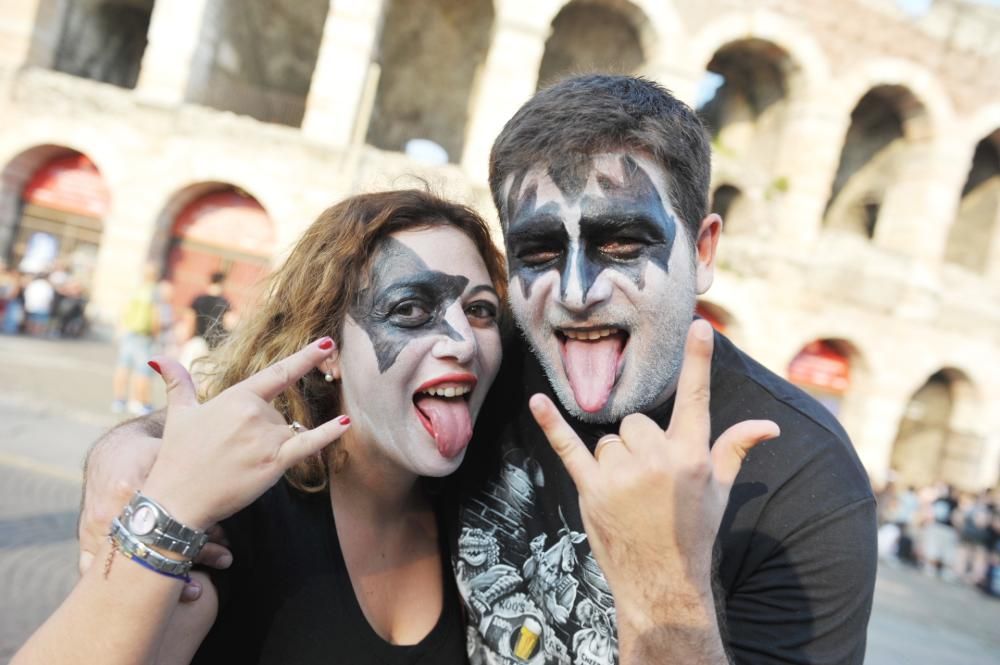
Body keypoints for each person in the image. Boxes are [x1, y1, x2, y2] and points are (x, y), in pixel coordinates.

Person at [77, 75, 876, 664]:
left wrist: (664, 585)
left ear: (702, 250)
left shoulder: (801, 483)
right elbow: (306, 401)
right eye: (538, 251)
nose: (575, 294)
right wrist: (130, 447)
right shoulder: (496, 363)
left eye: (622, 242)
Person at [14, 189, 507, 664]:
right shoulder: (232, 518)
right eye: (410, 309)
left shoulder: (483, 512)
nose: (463, 341)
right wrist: (161, 515)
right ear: (327, 350)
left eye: (480, 310)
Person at [112, 264, 161, 415]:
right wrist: (156, 335)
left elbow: (124, 310)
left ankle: (119, 400)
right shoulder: (153, 292)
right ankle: (142, 403)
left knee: (123, 367)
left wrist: (121, 328)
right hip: (143, 335)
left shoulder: (136, 290)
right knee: (143, 370)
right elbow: (155, 317)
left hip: (129, 332)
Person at [179, 271, 231, 373]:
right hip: (214, 347)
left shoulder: (199, 299)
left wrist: (187, 338)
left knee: (185, 372)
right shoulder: (225, 303)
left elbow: (190, 319)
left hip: (197, 341)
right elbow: (229, 324)